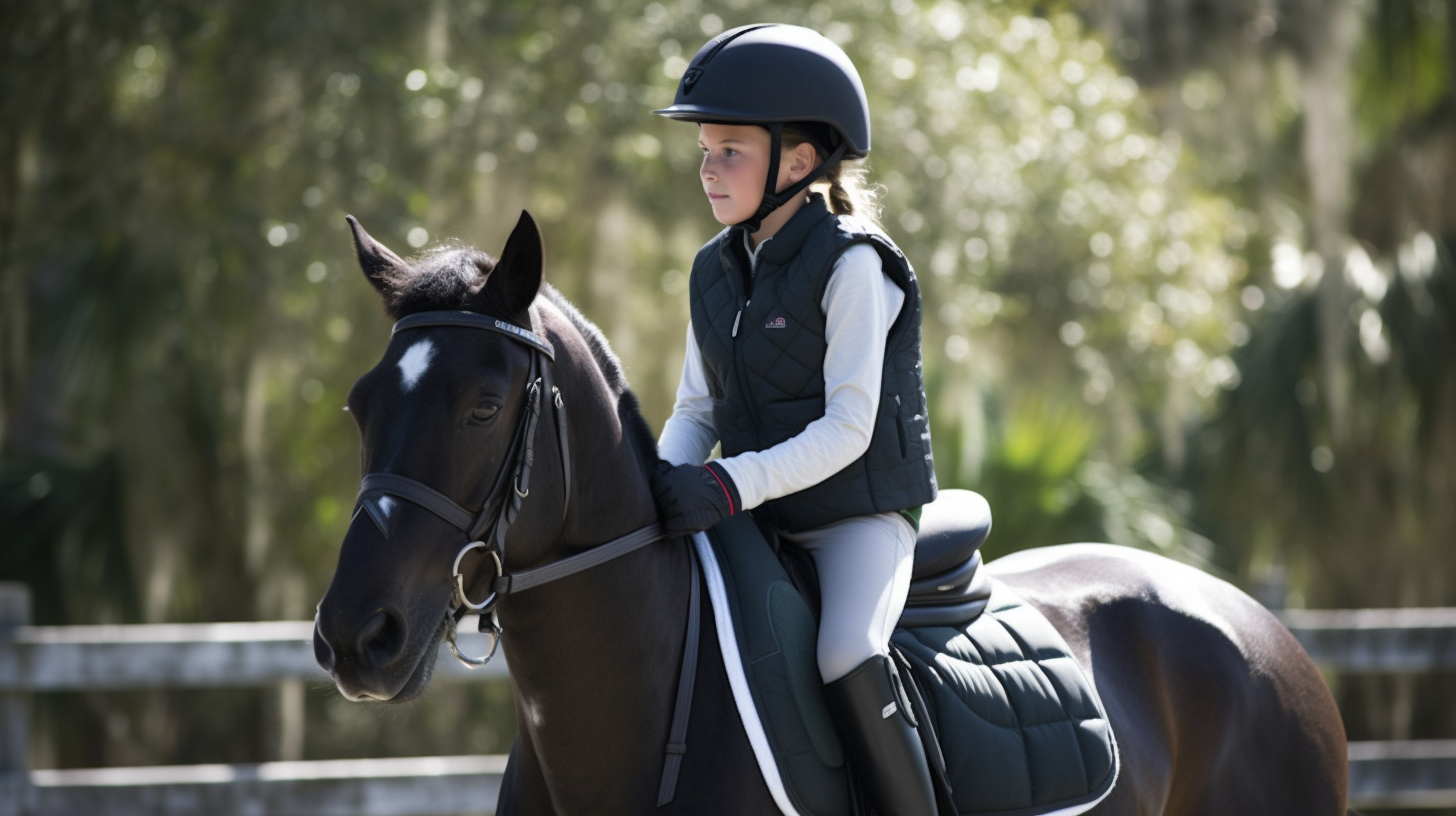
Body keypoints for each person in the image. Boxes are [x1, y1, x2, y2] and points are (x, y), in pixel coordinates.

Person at [650, 23, 939, 816]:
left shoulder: (854, 264)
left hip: (857, 520)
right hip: (751, 513)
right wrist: (662, 486)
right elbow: (694, 409)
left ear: (799, 160)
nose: (709, 168)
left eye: (730, 150)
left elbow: (849, 428)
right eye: (704, 150)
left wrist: (728, 483)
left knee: (847, 650)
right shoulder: (713, 269)